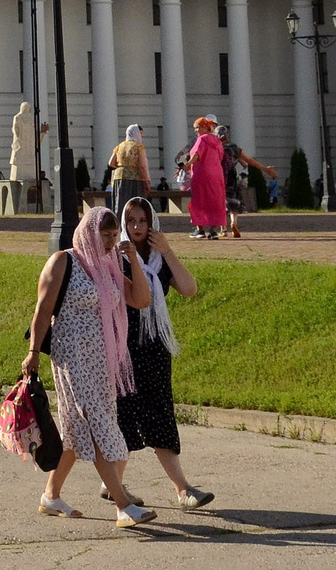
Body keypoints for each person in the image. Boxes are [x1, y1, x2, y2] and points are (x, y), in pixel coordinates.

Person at [21, 205, 155, 528]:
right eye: (104, 235)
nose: (110, 242)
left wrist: (133, 259)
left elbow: (141, 299)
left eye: (113, 235)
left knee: (75, 431)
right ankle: (123, 505)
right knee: (93, 423)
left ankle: (50, 496)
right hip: (71, 359)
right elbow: (43, 311)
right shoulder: (63, 261)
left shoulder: (108, 266)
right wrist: (33, 352)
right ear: (88, 232)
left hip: (99, 362)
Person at [112, 200, 212, 509]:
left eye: (143, 220)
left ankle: (182, 489)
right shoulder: (117, 258)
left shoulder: (159, 260)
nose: (137, 227)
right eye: (131, 221)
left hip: (155, 348)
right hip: (124, 347)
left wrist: (167, 250)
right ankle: (114, 484)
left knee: (160, 415)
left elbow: (189, 288)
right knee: (125, 417)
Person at [185, 119, 228, 240]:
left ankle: (200, 230)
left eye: (198, 127)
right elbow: (220, 156)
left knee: (199, 200)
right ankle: (214, 231)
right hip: (217, 174)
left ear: (205, 128)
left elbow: (197, 154)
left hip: (202, 173)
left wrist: (188, 164)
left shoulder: (202, 139)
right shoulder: (217, 141)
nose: (196, 130)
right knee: (215, 201)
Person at [106, 126, 150, 216]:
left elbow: (111, 162)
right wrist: (146, 181)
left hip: (118, 178)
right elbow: (141, 166)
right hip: (135, 179)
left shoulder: (120, 145)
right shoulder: (138, 147)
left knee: (120, 204)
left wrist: (123, 167)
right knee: (136, 204)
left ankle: (119, 225)